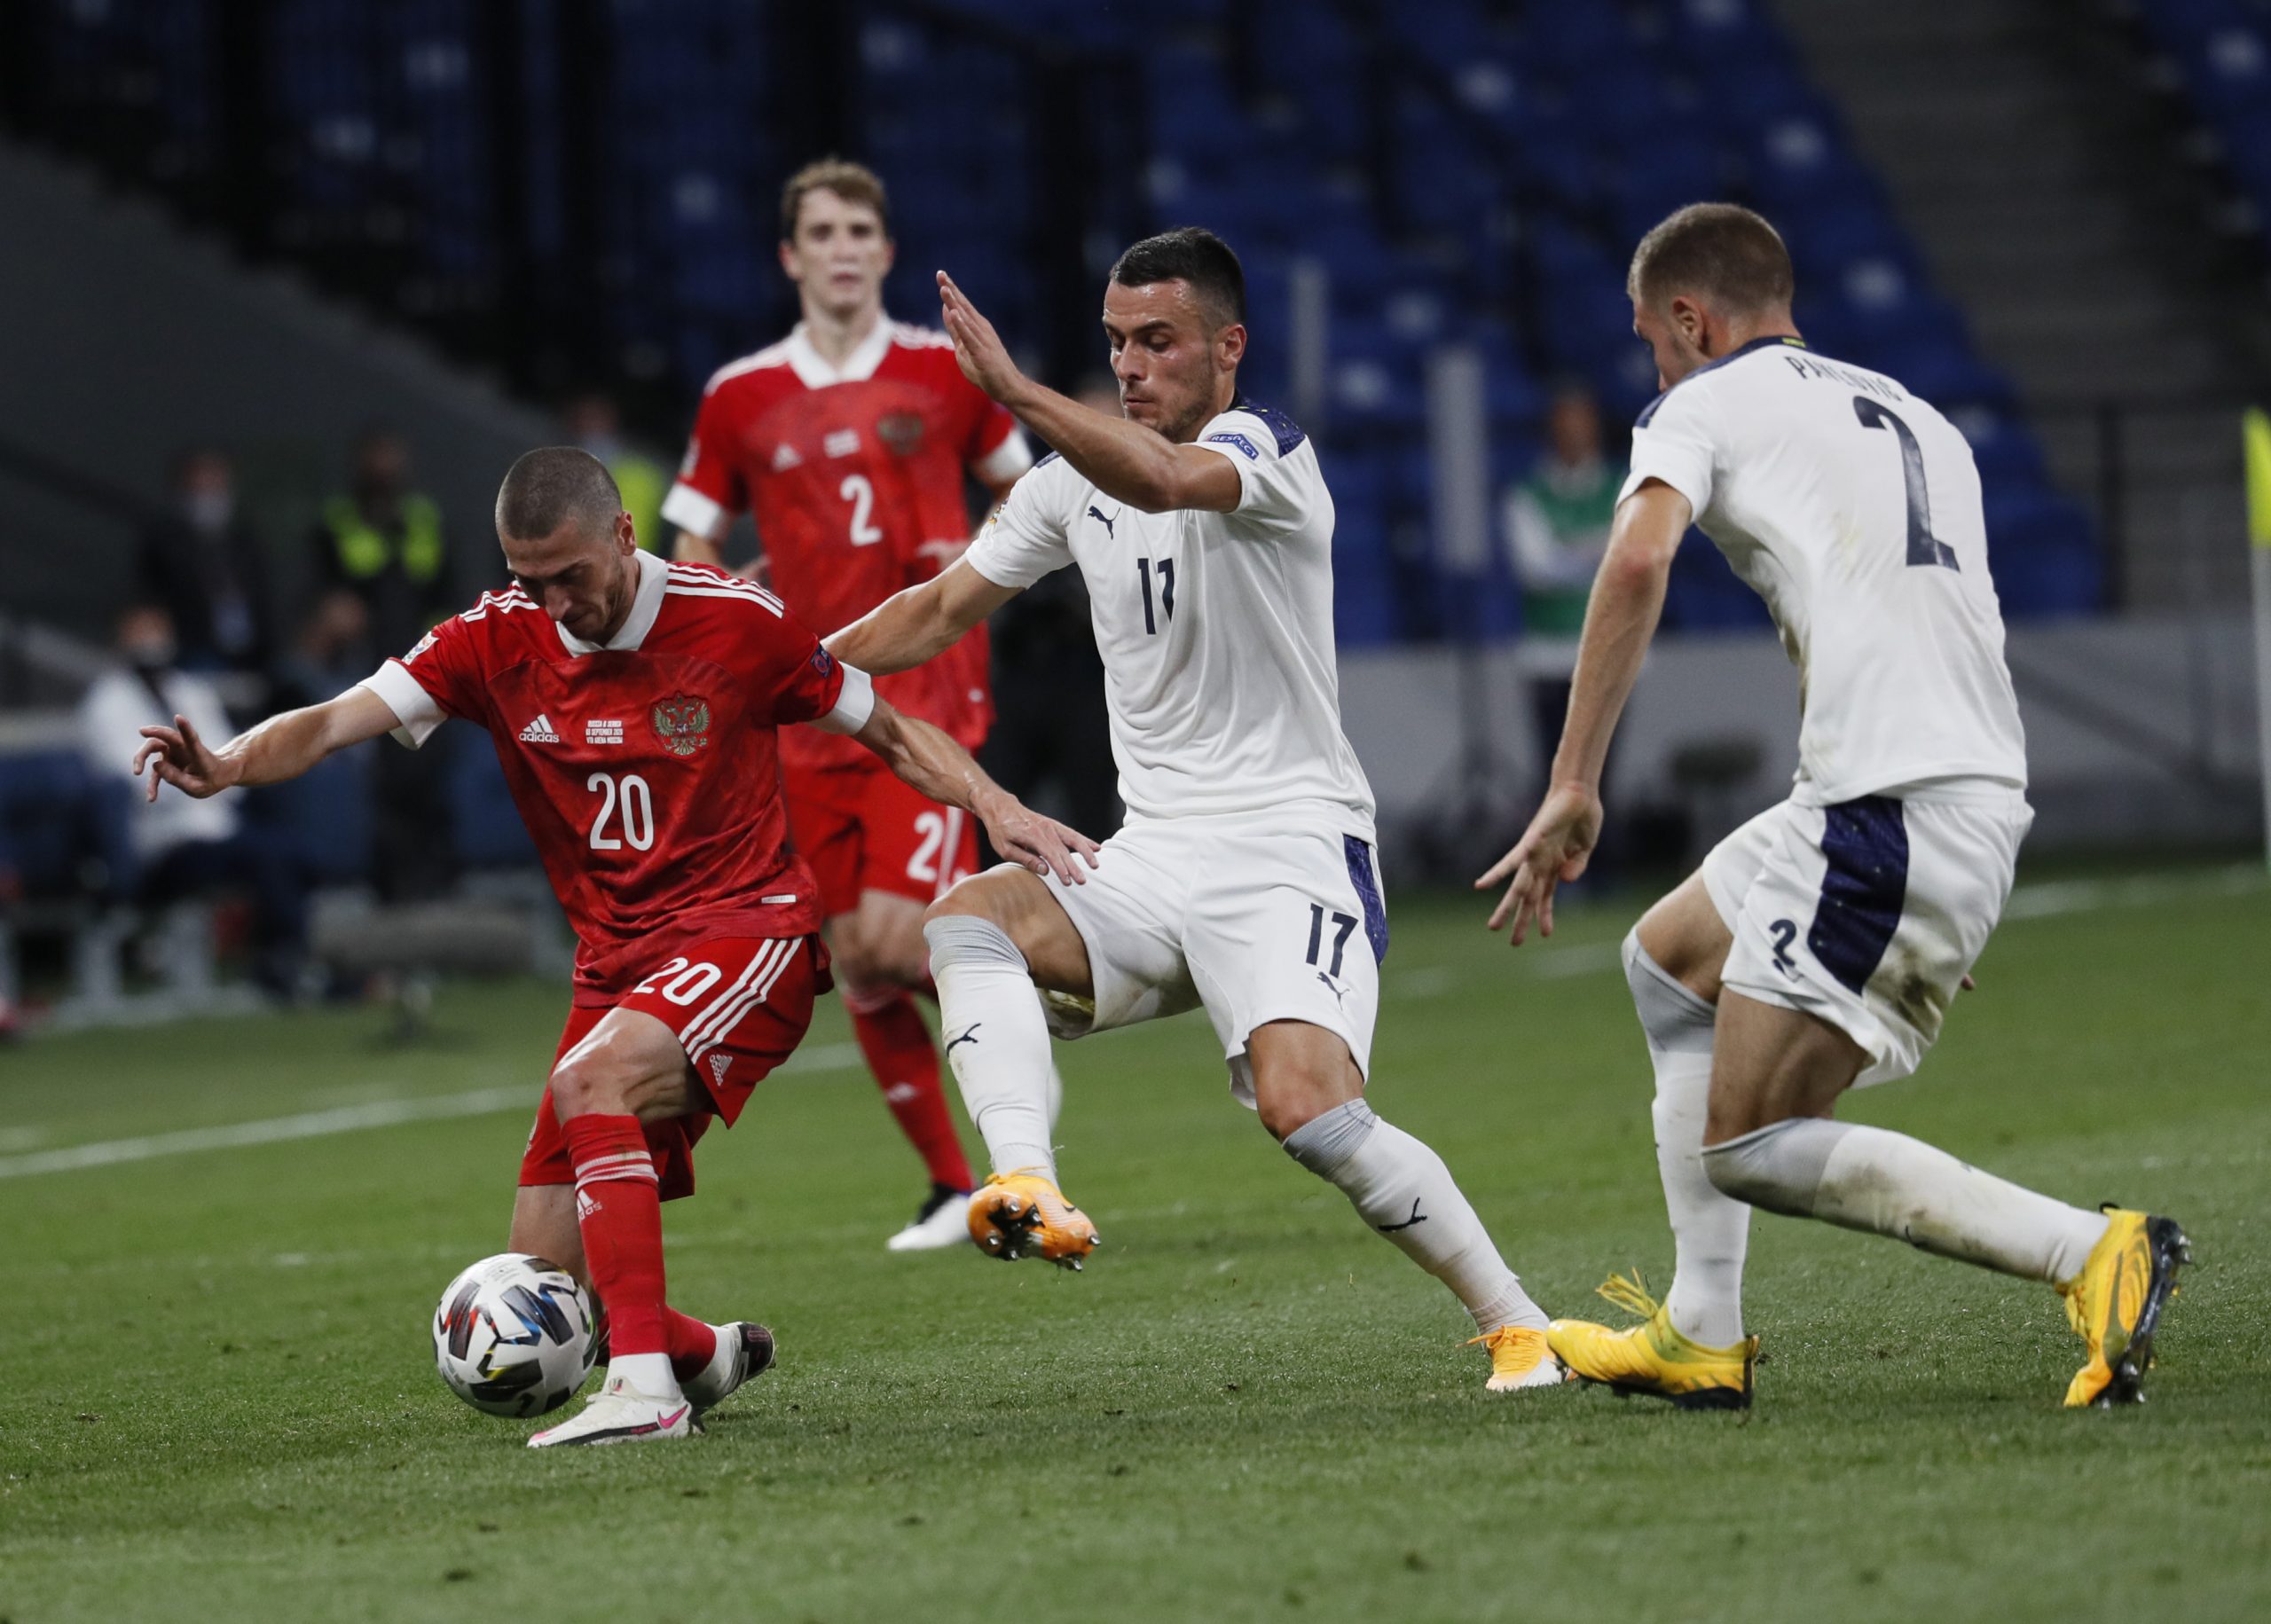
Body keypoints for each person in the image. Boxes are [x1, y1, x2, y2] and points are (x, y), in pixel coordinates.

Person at [133, 448, 1093, 1447]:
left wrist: (995, 804)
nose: (551, 602)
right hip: (616, 967)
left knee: (592, 1083)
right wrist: (232, 761)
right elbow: (337, 719)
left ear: (624, 539)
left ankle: (646, 1392)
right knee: (550, 1285)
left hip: (747, 934)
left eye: (569, 577)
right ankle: (701, 1354)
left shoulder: (734, 623)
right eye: (526, 580)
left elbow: (889, 729)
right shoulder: (492, 639)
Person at [829, 229, 1565, 1393]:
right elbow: (935, 608)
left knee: (1307, 1111)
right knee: (966, 917)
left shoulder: (1268, 450)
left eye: (1158, 341)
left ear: (1228, 347)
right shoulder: (1070, 486)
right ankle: (1022, 1178)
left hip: (1292, 851)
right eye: (1116, 342)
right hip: (1154, 856)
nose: (1131, 365)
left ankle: (1521, 1325)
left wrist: (1016, 391)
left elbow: (1167, 479)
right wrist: (781, 671)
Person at [1477, 203, 2187, 1410]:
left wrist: (1573, 780)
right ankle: (1702, 1330)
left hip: (1888, 808)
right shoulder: (1923, 415)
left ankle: (2090, 1249)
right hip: (1920, 795)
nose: (1654, 366)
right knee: (1666, 961)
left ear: (1692, 320)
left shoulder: (1701, 404)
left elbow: (1637, 560)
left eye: (1654, 340)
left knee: (1749, 1142)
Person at [662, 158, 1034, 1251]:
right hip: (806, 702)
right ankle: (951, 1187)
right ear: (790, 255)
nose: (839, 247)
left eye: (858, 229)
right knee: (851, 955)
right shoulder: (740, 395)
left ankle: (1047, 1003)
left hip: (923, 688)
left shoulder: (943, 371)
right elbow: (690, 534)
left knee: (887, 935)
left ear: (882, 249)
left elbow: (1024, 490)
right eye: (818, 231)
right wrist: (726, 607)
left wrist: (977, 569)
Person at [80, 605, 308, 993]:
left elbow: (229, 759)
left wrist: (206, 777)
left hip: (220, 828)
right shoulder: (106, 704)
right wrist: (199, 780)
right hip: (163, 842)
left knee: (287, 851)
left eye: (158, 631)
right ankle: (277, 967)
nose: (151, 644)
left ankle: (286, 961)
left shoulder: (192, 691)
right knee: (265, 858)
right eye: (141, 633)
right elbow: (136, 779)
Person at [312, 427, 455, 899]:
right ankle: (387, 887)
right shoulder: (337, 519)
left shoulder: (423, 517)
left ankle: (436, 885)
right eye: (377, 456)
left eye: (392, 456)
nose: (385, 467)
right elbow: (323, 595)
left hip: (424, 664)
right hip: (365, 667)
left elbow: (445, 589)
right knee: (380, 780)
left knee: (429, 772)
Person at [1503, 387, 1623, 819]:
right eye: (1564, 424)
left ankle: (1602, 866)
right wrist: (1596, 553)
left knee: (1604, 768)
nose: (1573, 434)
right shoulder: (1529, 493)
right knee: (1554, 767)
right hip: (1547, 654)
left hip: (1609, 651)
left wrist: (1567, 551)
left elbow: (1629, 558)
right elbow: (1536, 570)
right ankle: (1554, 866)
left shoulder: (1620, 485)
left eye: (1581, 423)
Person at [136, 448, 278, 682]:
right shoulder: (164, 539)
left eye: (217, 482)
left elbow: (263, 596)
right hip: (191, 651)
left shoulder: (245, 538)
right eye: (202, 485)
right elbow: (153, 595)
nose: (211, 492)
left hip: (250, 652)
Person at [565, 391, 668, 556]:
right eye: (582, 420)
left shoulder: (641, 478)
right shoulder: (559, 472)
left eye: (595, 419)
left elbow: (634, 539)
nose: (590, 428)